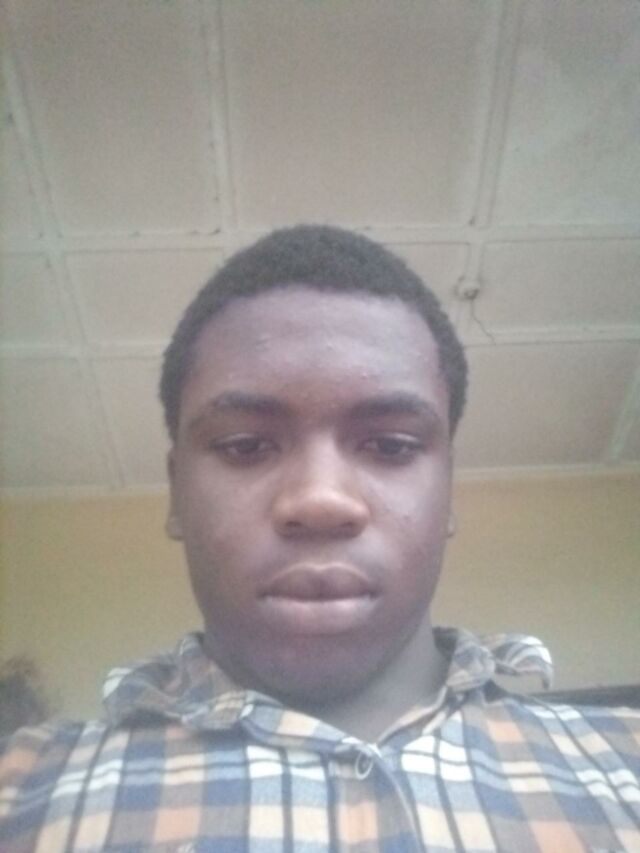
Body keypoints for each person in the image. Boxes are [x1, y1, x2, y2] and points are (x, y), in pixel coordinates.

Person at [1, 225, 638, 851]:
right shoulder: (17, 791)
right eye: (245, 445)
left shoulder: (626, 760)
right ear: (176, 494)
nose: (320, 499)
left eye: (391, 445)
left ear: (448, 492)